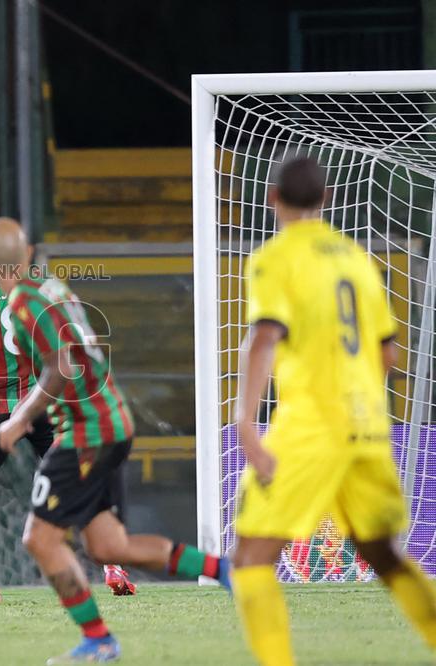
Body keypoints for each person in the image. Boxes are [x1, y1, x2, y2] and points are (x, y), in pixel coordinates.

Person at [0, 218, 229, 664]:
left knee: (39, 539)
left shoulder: (21, 303)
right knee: (108, 546)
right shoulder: (51, 287)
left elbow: (61, 367)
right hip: (111, 421)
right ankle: (224, 570)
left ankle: (98, 639)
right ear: (29, 251)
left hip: (87, 432)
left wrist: (18, 421)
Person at [231, 155, 436, 665]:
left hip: (310, 427)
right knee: (382, 553)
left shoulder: (274, 259)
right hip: (368, 424)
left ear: (272, 198)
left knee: (253, 556)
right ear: (325, 200)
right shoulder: (356, 259)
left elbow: (265, 337)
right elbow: (389, 354)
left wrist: (245, 422)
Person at [0, 220, 136, 596]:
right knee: (82, 481)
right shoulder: (40, 289)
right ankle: (113, 565)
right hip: (45, 405)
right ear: (26, 254)